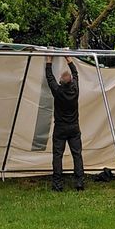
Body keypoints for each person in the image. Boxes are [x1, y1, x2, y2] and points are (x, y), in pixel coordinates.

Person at [45, 55, 84, 191]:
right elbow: (76, 73)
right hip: (74, 128)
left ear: (60, 82)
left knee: (57, 155)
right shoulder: (75, 90)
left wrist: (48, 60)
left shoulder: (58, 91)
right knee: (77, 155)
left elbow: (49, 77)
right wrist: (68, 58)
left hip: (60, 128)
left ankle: (57, 184)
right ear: (71, 81)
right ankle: (79, 183)